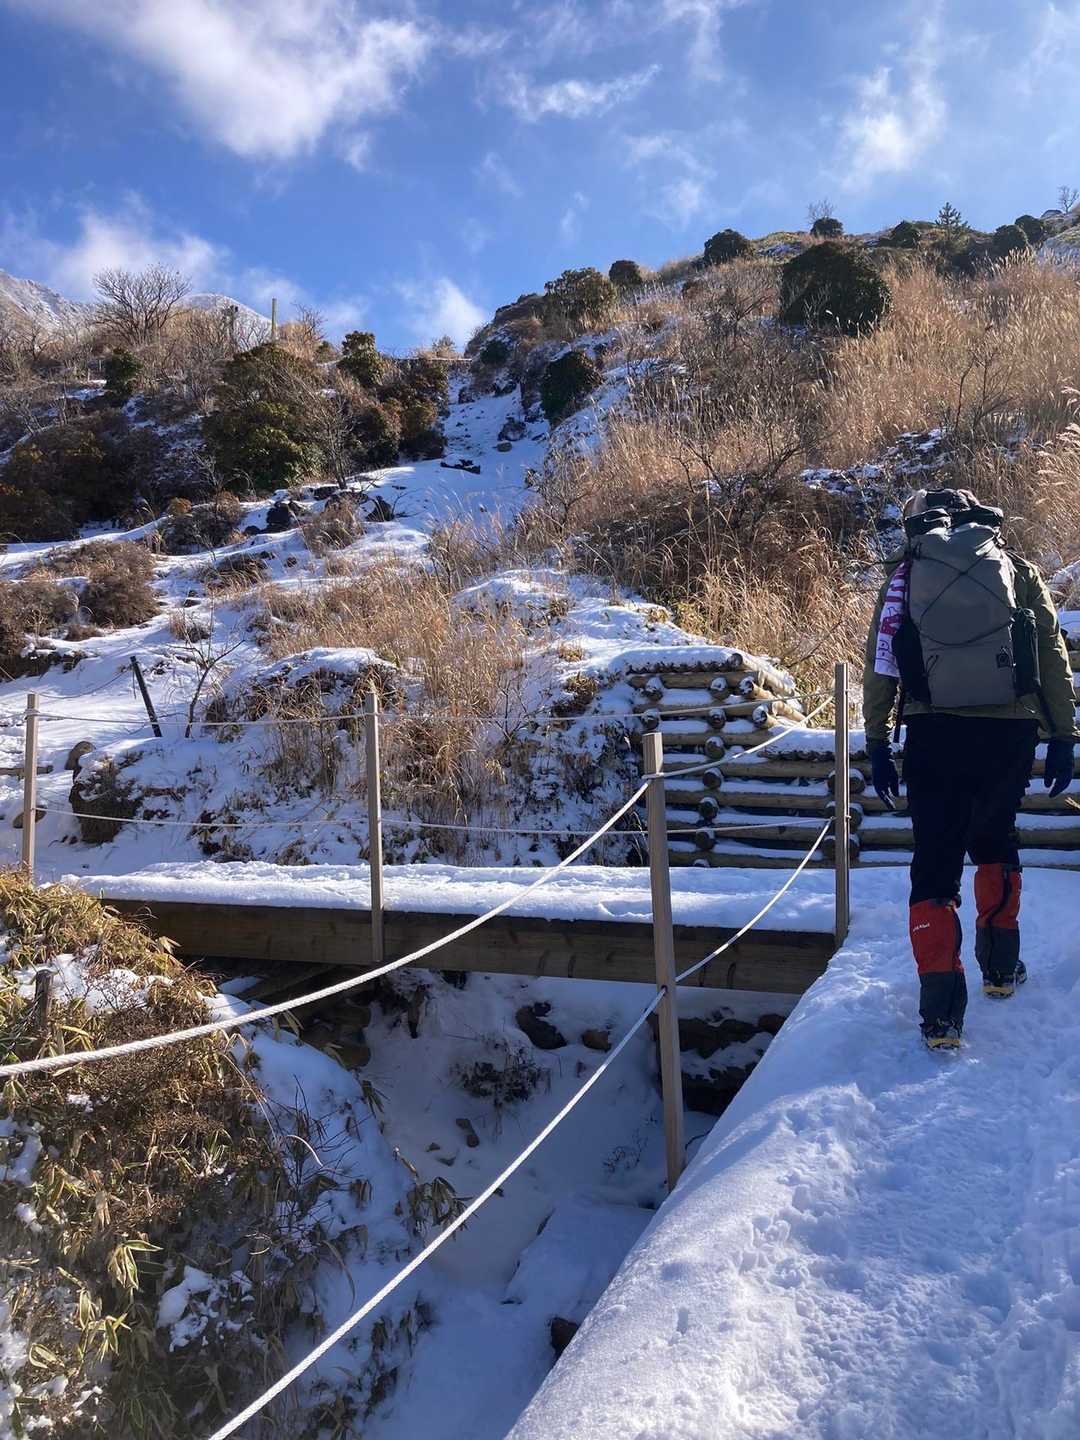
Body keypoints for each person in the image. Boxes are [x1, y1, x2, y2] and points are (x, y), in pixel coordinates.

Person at [862, 487, 1077, 1050]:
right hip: (1008, 731)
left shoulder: (906, 574)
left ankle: (941, 1015)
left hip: (933, 731)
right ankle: (1000, 970)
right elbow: (1050, 652)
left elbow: (881, 662)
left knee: (935, 860)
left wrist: (878, 740)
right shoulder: (1016, 568)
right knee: (996, 838)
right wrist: (1063, 734)